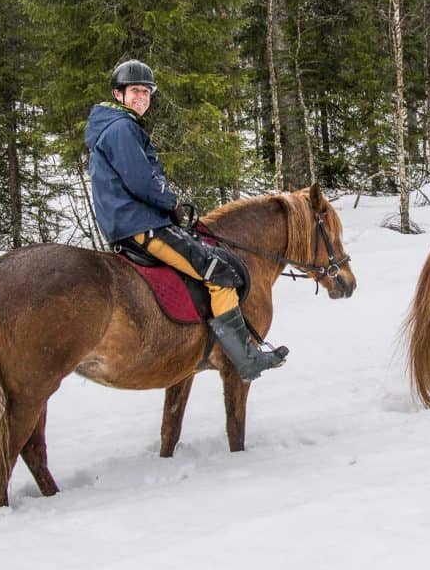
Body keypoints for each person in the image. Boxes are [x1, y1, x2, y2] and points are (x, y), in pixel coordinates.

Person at [84, 58, 288, 381]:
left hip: (132, 223)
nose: (142, 97)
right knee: (218, 273)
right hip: (141, 226)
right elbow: (140, 181)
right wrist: (172, 202)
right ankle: (246, 359)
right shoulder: (121, 128)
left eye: (147, 92)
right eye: (135, 91)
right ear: (118, 94)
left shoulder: (114, 127)